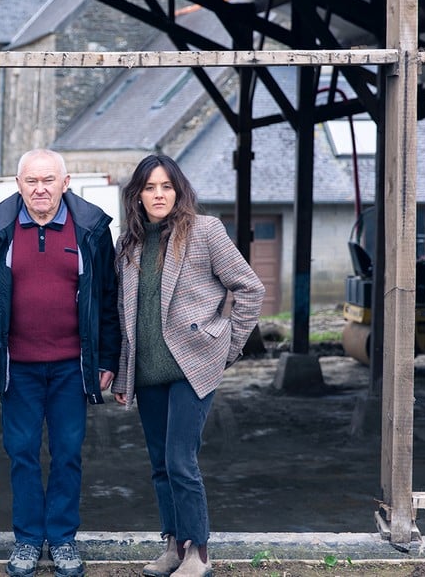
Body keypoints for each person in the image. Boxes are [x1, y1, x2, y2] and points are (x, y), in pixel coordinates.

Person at [0, 149, 120, 577]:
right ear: (19, 184)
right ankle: (29, 541)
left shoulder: (90, 230)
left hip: (72, 366)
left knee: (68, 453)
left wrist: (107, 358)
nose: (40, 189)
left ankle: (64, 540)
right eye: (31, 181)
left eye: (49, 180)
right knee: (22, 454)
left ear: (65, 183)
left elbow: (107, 298)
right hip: (19, 368)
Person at [111, 154, 264, 577]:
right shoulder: (129, 244)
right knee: (160, 464)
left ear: (178, 191)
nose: (158, 195)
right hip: (148, 374)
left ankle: (198, 553)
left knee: (181, 460)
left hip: (192, 366)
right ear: (137, 195)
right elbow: (128, 316)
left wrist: (227, 345)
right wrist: (124, 374)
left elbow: (249, 287)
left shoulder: (205, 231)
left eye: (166, 186)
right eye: (149, 187)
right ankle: (173, 546)